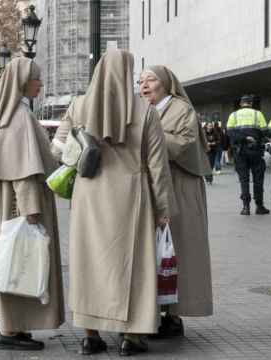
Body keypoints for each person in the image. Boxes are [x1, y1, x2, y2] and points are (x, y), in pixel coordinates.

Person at [52, 51, 175, 356]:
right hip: (132, 196)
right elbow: (158, 166)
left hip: (89, 195)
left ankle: (90, 335)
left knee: (89, 262)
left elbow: (56, 148)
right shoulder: (145, 110)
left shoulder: (79, 105)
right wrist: (163, 209)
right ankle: (131, 337)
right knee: (133, 267)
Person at [0, 57, 64, 351]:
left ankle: (12, 325)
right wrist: (31, 211)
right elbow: (22, 173)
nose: (41, 83)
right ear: (24, 82)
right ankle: (10, 329)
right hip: (19, 208)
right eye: (37, 78)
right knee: (18, 262)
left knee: (12, 263)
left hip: (8, 207)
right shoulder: (20, 118)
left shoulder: (11, 113)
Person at [139, 65, 214, 338]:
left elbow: (183, 144)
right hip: (157, 187)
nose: (144, 85)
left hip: (181, 186)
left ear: (166, 83)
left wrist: (149, 135)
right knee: (156, 252)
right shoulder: (144, 109)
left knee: (178, 248)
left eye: (151, 80)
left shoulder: (181, 109)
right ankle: (156, 312)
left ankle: (173, 315)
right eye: (141, 81)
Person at [226, 95, 270, 215]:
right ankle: (259, 206)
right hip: (256, 151)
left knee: (244, 180)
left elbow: (229, 132)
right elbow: (265, 131)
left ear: (241, 104)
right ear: (251, 103)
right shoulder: (258, 114)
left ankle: (246, 207)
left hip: (240, 152)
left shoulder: (233, 115)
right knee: (258, 180)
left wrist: (244, 138)